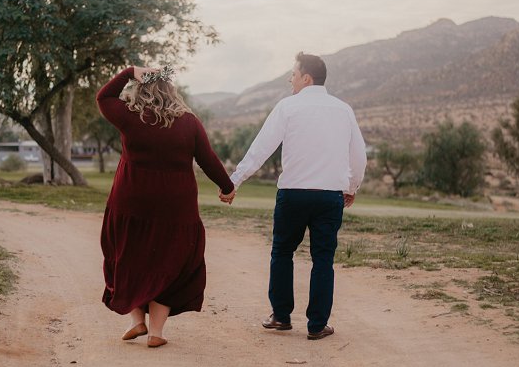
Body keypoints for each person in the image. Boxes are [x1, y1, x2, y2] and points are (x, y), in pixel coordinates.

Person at [220, 52, 366, 340]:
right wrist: (351, 187)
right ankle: (316, 326)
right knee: (323, 259)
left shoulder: (288, 107)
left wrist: (234, 180)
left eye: (294, 73)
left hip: (293, 194)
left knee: (282, 252)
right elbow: (358, 155)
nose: (291, 78)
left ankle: (281, 316)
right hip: (329, 197)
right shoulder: (343, 109)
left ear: (306, 78)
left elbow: (261, 148)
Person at [96, 65, 235, 348]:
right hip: (176, 207)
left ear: (140, 90)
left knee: (127, 255)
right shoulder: (189, 122)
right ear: (172, 91)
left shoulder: (131, 117)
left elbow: (103, 97)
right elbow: (207, 159)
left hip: (131, 201)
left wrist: (129, 71)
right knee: (169, 261)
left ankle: (137, 322)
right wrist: (227, 186)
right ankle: (156, 331)